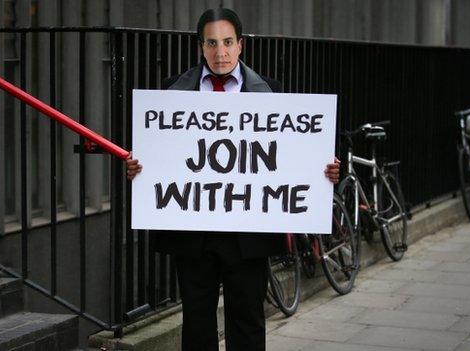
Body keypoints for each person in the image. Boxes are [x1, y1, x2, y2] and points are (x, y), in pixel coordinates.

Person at [126, 8, 340, 351]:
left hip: (248, 233)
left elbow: (289, 156)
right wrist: (139, 168)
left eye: (227, 42)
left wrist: (324, 171)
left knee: (248, 319)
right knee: (197, 322)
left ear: (241, 46)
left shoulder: (270, 91)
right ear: (201, 47)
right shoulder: (173, 92)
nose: (220, 52)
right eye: (212, 43)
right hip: (193, 232)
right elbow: (157, 155)